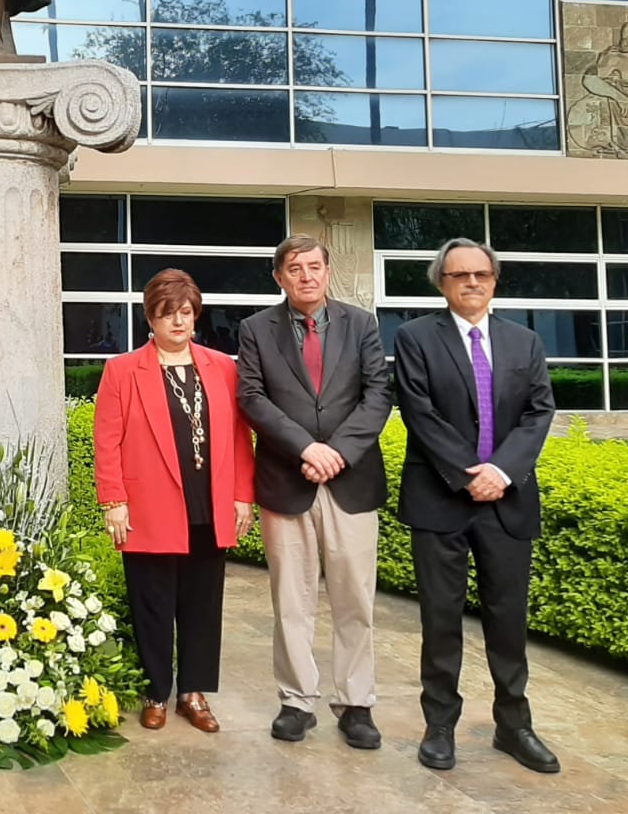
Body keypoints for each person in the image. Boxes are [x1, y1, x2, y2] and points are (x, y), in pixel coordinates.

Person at [394, 238, 559, 774]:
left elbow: (538, 412)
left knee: (508, 620)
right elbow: (419, 413)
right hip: (441, 499)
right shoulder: (416, 338)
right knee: (441, 622)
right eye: (459, 274)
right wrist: (469, 475)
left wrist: (501, 472)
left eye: (481, 274)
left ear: (494, 280)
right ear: (441, 282)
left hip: (507, 500)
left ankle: (514, 726)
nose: (471, 283)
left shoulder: (524, 341)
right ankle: (439, 726)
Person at [236, 235, 392, 749]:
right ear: (279, 277)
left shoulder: (361, 324)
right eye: (295, 269)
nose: (306, 276)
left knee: (355, 599)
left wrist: (337, 451)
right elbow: (253, 398)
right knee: (291, 600)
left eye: (315, 267)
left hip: (351, 480)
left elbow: (377, 395)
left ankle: (356, 704)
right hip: (287, 480)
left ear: (328, 272)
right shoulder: (256, 329)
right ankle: (297, 701)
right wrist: (306, 447)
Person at [93, 269, 256, 731]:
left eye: (185, 312)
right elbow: (106, 441)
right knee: (153, 602)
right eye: (168, 314)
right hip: (149, 508)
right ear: (151, 317)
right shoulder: (123, 370)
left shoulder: (223, 367)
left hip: (210, 504)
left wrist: (244, 495)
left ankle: (193, 692)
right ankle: (154, 691)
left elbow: (242, 437)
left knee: (203, 603)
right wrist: (114, 501)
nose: (178, 322)